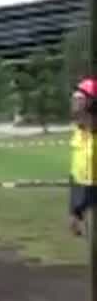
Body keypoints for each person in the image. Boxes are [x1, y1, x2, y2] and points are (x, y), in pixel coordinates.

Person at [70, 77, 96, 236]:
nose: (74, 100)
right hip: (82, 191)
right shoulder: (78, 131)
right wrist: (74, 212)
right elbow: (75, 172)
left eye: (80, 98)